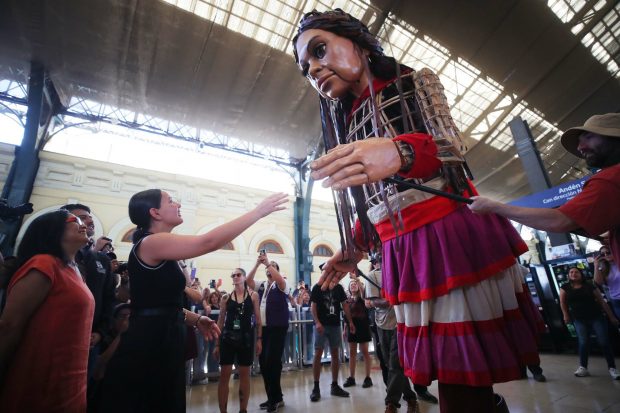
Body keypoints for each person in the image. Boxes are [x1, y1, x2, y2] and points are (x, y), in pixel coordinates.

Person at [294, 9, 539, 412]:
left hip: (444, 231)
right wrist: (353, 247)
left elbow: (451, 147)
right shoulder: (347, 121)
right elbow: (376, 201)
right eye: (306, 67)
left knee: (462, 371)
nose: (315, 69)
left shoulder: (414, 80)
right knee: (446, 366)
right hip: (400, 247)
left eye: (320, 51)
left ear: (357, 42)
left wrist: (400, 151)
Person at [98, 189, 286, 413]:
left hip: (164, 336)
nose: (177, 203)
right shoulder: (151, 243)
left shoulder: (160, 248)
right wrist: (258, 212)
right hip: (150, 342)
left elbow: (156, 302)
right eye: (170, 201)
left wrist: (194, 318)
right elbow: (208, 241)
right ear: (155, 212)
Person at [469, 113, 620, 264]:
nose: (580, 147)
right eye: (580, 141)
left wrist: (494, 206)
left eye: (588, 137)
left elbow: (559, 221)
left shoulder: (609, 179)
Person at [0, 210, 95, 412]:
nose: (84, 225)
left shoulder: (74, 270)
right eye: (74, 221)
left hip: (69, 378)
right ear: (52, 229)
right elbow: (10, 326)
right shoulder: (44, 263)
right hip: (41, 378)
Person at [214, 268, 262, 413]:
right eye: (233, 275)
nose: (235, 277)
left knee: (245, 375)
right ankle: (223, 411)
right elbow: (220, 321)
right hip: (228, 338)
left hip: (246, 339)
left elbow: (258, 320)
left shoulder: (253, 296)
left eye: (238, 275)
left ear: (244, 277)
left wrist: (259, 339)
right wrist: (217, 344)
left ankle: (243, 409)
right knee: (224, 375)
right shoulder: (226, 298)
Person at [559, 266, 620, 379]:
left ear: (581, 274)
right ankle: (583, 367)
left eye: (576, 272)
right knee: (583, 342)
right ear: (568, 275)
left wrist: (612, 317)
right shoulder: (564, 287)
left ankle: (612, 368)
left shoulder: (589, 285)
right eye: (571, 272)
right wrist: (565, 315)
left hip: (596, 317)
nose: (573, 274)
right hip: (578, 319)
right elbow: (562, 303)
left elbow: (602, 302)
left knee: (604, 341)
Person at [246, 255, 289, 412]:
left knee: (272, 361)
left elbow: (279, 280)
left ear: (276, 270)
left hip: (277, 328)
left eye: (272, 268)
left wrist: (268, 262)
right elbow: (248, 281)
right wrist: (258, 263)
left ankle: (274, 398)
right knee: (264, 364)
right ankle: (274, 397)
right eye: (268, 269)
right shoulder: (262, 285)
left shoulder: (282, 283)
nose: (269, 270)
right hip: (263, 329)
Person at [309, 279, 354, 402]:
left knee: (335, 353)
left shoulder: (338, 288)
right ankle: (316, 387)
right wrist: (317, 322)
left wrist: (350, 321)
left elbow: (345, 305)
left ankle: (334, 385)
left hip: (334, 325)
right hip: (321, 324)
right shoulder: (317, 287)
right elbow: (313, 306)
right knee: (318, 353)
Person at [343, 277, 373, 388]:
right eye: (351, 284)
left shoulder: (362, 298)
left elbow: (362, 289)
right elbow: (347, 316)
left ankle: (368, 377)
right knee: (352, 352)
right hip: (352, 327)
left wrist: (356, 279)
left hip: (363, 326)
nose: (353, 285)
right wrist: (345, 328)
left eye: (355, 284)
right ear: (349, 288)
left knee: (364, 351)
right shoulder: (348, 300)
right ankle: (352, 377)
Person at [594, 245, 620, 318]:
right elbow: (598, 283)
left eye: (608, 252)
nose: (606, 255)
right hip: (616, 300)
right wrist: (596, 265)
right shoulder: (603, 267)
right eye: (603, 254)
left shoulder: (618, 263)